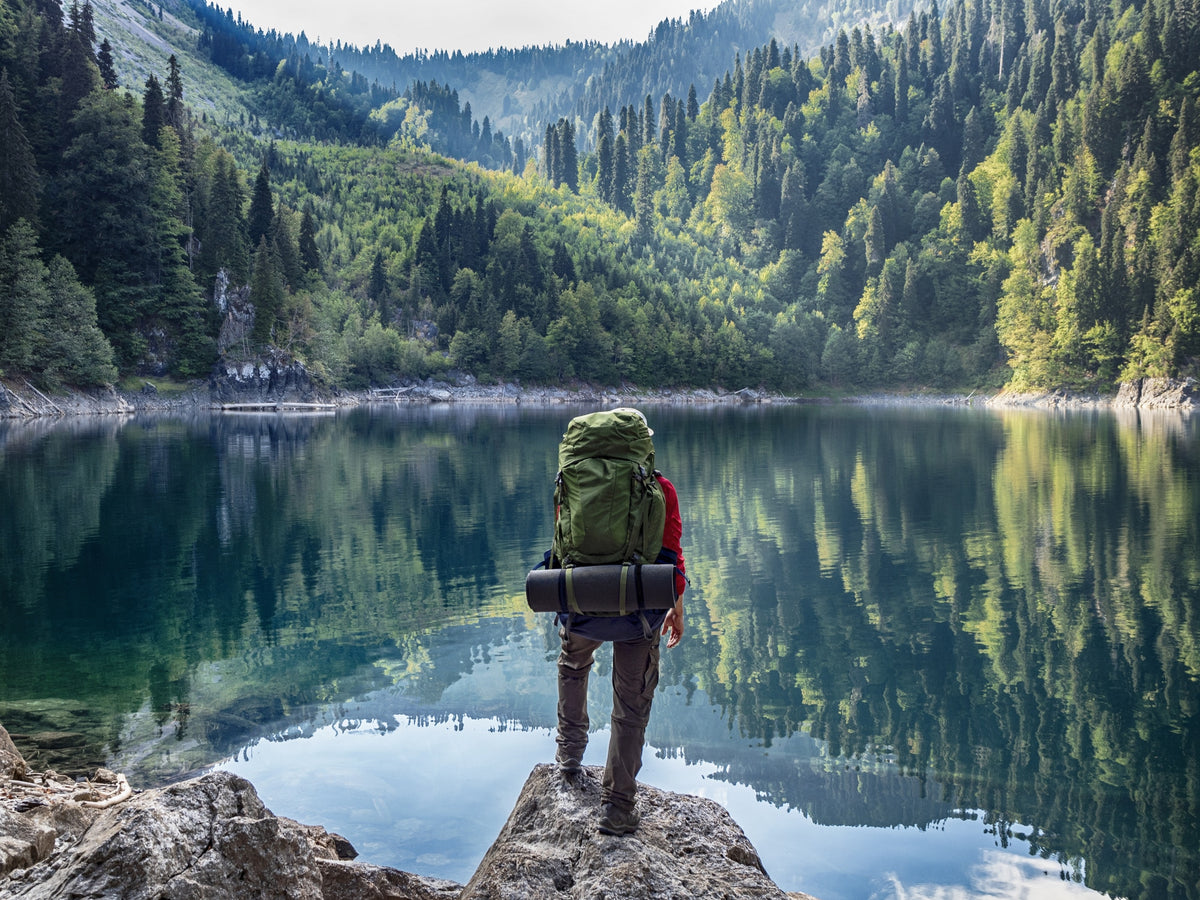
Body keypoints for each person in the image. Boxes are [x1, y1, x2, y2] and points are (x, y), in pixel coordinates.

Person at [554, 407, 687, 837]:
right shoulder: (660, 488)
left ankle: (569, 756)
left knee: (573, 665)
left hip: (579, 604)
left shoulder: (571, 484)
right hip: (637, 610)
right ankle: (617, 806)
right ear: (642, 446)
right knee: (631, 704)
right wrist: (676, 607)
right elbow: (672, 555)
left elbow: (561, 542)